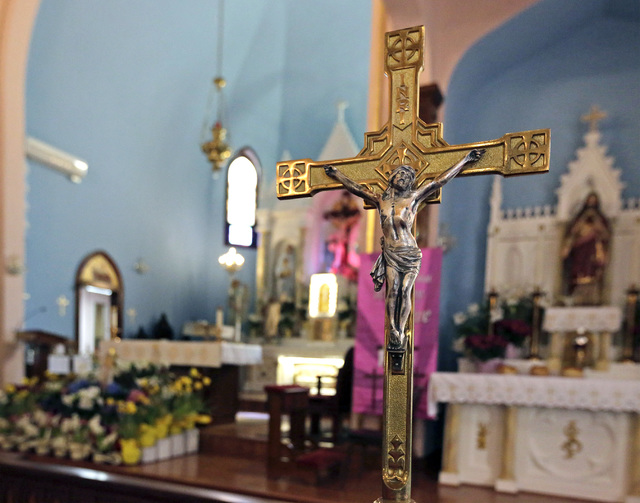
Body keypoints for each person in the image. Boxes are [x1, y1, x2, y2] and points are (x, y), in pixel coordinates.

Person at [324, 148, 485, 350]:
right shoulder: (381, 200)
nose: (402, 178)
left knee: (405, 290)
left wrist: (466, 160)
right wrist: (337, 174)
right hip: (391, 253)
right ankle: (393, 329)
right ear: (392, 178)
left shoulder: (413, 198)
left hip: (408, 252)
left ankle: (400, 330)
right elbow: (357, 188)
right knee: (392, 291)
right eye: (399, 174)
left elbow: (439, 181)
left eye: (407, 177)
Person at [561, 192, 611, 305]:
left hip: (593, 249)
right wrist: (583, 220)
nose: (591, 204)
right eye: (589, 201)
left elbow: (606, 235)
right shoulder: (579, 218)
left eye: (593, 202)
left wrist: (596, 222)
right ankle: (576, 293)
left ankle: (593, 295)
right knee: (578, 269)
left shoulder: (600, 218)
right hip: (580, 249)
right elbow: (572, 233)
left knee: (592, 269)